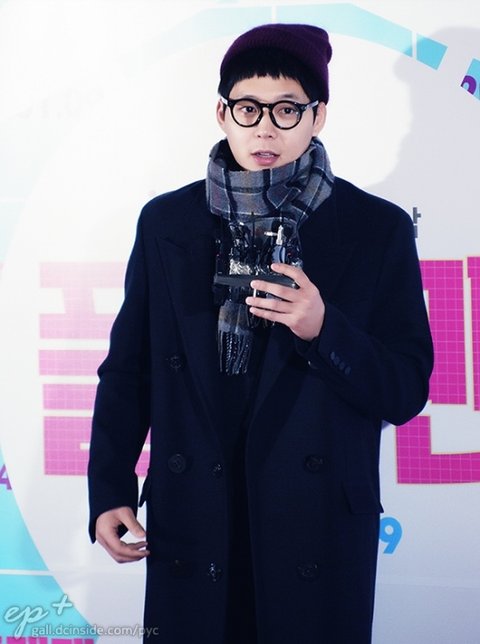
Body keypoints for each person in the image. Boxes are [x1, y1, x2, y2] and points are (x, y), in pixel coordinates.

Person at [88, 23, 433, 644]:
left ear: (318, 115)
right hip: (196, 514)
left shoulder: (376, 229)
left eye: (287, 109)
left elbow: (405, 390)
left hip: (314, 523)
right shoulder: (168, 223)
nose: (266, 129)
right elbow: (129, 369)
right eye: (248, 108)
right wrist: (110, 487)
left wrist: (322, 328)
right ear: (223, 113)